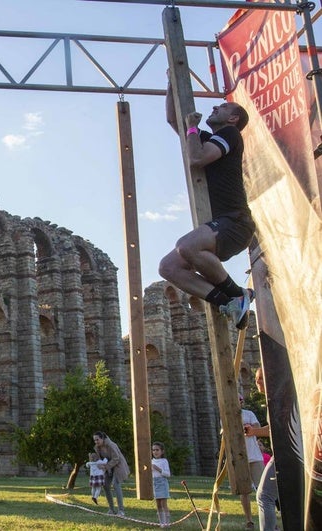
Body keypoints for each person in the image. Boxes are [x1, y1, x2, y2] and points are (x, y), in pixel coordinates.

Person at [160, 81, 255, 329]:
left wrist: (193, 127)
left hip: (235, 222)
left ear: (233, 119)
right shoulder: (211, 139)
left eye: (223, 106)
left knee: (185, 246)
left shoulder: (230, 134)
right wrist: (171, 84)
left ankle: (237, 294)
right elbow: (174, 122)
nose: (215, 106)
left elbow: (197, 158)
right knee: (168, 267)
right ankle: (227, 302)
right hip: (221, 225)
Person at [245, 367, 280, 531]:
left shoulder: (276, 399)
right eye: (256, 378)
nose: (256, 382)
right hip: (285, 454)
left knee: (264, 495)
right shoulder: (274, 398)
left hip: (283, 454)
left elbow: (276, 429)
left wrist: (254, 431)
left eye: (260, 378)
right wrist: (254, 431)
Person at [239, 394, 264, 529]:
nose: (239, 402)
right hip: (239, 458)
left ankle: (265, 518)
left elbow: (257, 428)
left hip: (255, 456)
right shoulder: (226, 415)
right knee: (244, 491)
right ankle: (249, 520)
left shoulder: (249, 413)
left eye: (240, 399)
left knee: (262, 489)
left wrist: (250, 427)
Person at [93, 431, 130, 516]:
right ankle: (111, 509)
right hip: (109, 468)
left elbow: (116, 458)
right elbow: (101, 459)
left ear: (102, 438)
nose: (96, 442)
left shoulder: (111, 445)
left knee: (116, 484)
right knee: (105, 485)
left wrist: (106, 466)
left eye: (97, 440)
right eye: (95, 440)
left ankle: (121, 510)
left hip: (118, 466)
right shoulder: (97, 447)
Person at [151, 441, 172, 528]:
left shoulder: (164, 461)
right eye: (153, 450)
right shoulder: (151, 461)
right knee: (158, 504)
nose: (155, 452)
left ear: (162, 451)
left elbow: (168, 474)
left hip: (162, 483)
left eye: (157, 450)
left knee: (163, 504)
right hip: (154, 483)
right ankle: (161, 522)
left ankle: (167, 522)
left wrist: (158, 469)